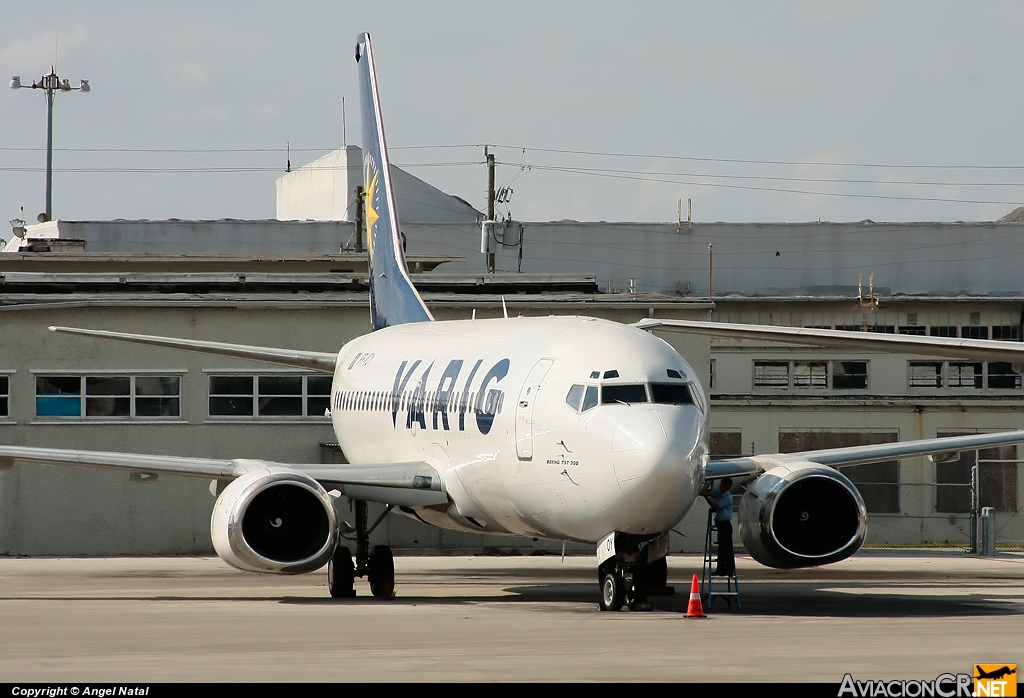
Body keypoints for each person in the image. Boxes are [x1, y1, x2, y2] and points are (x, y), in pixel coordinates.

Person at [700, 478, 734, 576]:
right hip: (721, 525)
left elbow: (715, 505)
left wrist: (706, 496)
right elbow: (712, 493)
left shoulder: (727, 497)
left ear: (726, 486)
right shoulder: (721, 494)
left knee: (725, 549)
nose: (720, 486)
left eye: (722, 485)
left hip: (725, 525)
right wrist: (703, 492)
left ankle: (727, 570)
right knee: (722, 548)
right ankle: (722, 569)